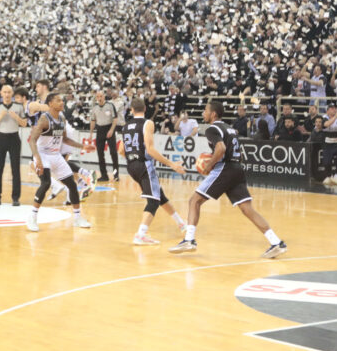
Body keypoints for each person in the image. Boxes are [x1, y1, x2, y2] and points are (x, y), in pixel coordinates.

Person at [169, 101, 285, 258]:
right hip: (237, 169)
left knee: (194, 201)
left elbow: (221, 149)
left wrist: (209, 165)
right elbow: (239, 153)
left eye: (205, 110)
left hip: (225, 168)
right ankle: (276, 242)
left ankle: (189, 239)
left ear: (213, 114)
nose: (203, 113)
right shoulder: (229, 128)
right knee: (247, 209)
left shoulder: (212, 129)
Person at [121, 97, 188, 245]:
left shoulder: (125, 126)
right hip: (144, 164)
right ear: (145, 109)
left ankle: (182, 224)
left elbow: (121, 150)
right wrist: (172, 164)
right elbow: (150, 149)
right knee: (153, 201)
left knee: (160, 196)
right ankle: (140, 234)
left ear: (131, 110)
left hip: (131, 165)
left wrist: (133, 159)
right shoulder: (147, 123)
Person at [26, 93, 90, 232]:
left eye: (62, 100)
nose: (62, 102)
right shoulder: (44, 119)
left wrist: (83, 146)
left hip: (55, 155)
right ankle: (32, 217)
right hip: (43, 154)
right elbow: (32, 140)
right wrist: (37, 159)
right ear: (50, 104)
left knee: (72, 185)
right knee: (46, 183)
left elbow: (65, 139)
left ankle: (78, 218)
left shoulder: (62, 119)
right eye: (58, 100)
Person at [0, 84, 27, 206]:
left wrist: (16, 117)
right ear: (1, 93)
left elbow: (24, 124)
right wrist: (0, 116)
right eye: (4, 92)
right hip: (2, 138)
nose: (7, 94)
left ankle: (15, 198)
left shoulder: (19, 107)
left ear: (12, 94)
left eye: (9, 92)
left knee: (15, 169)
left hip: (14, 138)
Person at [88, 89, 120, 182]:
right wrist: (91, 133)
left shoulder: (110, 105)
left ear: (104, 96)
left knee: (113, 153)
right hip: (100, 130)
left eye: (101, 96)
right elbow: (93, 120)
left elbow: (115, 119)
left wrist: (111, 130)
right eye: (97, 97)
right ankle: (104, 175)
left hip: (109, 129)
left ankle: (116, 175)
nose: (99, 98)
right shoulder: (95, 107)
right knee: (100, 154)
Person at [316, 103, 337, 184]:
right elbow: (327, 124)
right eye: (331, 108)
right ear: (327, 111)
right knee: (327, 162)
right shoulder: (323, 118)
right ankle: (328, 176)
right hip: (327, 145)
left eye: (335, 108)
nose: (334, 109)